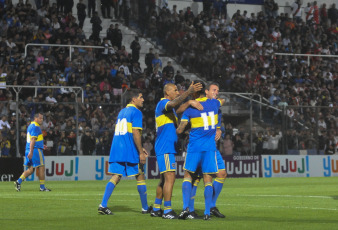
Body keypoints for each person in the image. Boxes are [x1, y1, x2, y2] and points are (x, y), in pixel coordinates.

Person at [150, 81, 203, 219]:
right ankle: (167, 210)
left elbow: (178, 108)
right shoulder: (163, 103)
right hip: (165, 147)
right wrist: (189, 92)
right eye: (175, 90)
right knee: (170, 178)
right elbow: (174, 104)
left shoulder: (169, 110)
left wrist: (189, 102)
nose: (177, 92)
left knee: (163, 179)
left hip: (165, 147)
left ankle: (156, 208)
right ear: (167, 92)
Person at [176, 81, 225, 220]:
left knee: (188, 176)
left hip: (195, 147)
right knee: (207, 179)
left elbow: (179, 129)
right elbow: (222, 101)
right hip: (209, 147)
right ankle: (207, 212)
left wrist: (183, 129)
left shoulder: (190, 109)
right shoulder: (214, 104)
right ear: (207, 92)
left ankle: (186, 208)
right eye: (214, 90)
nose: (216, 93)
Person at [98, 90, 152, 215]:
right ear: (133, 99)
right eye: (141, 97)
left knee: (116, 176)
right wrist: (140, 152)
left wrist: (140, 147)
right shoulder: (136, 112)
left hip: (117, 148)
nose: (143, 99)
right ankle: (144, 208)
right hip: (129, 149)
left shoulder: (122, 112)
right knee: (140, 174)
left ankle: (103, 205)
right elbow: (135, 132)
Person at [14, 113, 51, 192]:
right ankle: (42, 187)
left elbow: (33, 139)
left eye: (42, 118)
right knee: (41, 167)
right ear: (35, 118)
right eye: (40, 118)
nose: (42, 120)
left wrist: (41, 145)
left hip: (29, 149)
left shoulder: (31, 125)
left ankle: (18, 181)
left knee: (31, 170)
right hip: (35, 150)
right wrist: (32, 151)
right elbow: (33, 140)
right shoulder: (36, 127)